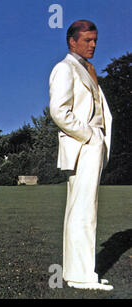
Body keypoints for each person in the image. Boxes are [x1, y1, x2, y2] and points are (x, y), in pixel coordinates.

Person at [49, 20, 113, 291]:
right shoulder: (64, 68)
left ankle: (80, 272)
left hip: (91, 144)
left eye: (95, 40)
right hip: (83, 144)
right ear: (72, 41)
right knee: (83, 211)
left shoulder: (86, 69)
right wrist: (89, 136)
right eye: (87, 40)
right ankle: (81, 276)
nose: (93, 45)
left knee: (83, 209)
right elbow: (58, 111)